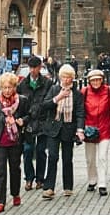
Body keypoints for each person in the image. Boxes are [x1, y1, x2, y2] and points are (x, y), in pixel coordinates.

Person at [0, 71, 32, 214]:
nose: (7, 90)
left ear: (14, 87)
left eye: (9, 87)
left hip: (15, 141)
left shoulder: (22, 101)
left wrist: (22, 120)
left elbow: (30, 115)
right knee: (0, 172)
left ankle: (15, 194)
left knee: (15, 169)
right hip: (0, 141)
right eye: (4, 87)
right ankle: (0, 201)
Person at [42, 65, 85, 199]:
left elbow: (80, 112)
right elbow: (45, 105)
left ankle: (68, 187)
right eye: (64, 77)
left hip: (68, 128)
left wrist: (79, 129)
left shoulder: (77, 94)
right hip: (54, 128)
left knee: (67, 159)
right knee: (53, 157)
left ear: (72, 78)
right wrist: (58, 97)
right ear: (60, 77)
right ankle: (49, 188)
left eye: (69, 77)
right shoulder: (54, 89)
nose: (66, 80)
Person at [18, 55, 55, 191]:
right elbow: (19, 103)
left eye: (35, 68)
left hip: (43, 122)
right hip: (28, 122)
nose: (33, 70)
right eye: (31, 68)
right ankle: (29, 178)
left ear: (40, 68)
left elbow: (50, 102)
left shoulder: (47, 83)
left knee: (40, 151)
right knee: (27, 151)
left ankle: (40, 179)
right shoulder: (23, 84)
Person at [83, 68, 110, 196]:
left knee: (102, 157)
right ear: (89, 82)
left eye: (98, 80)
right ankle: (92, 180)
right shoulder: (84, 92)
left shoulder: (109, 92)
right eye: (93, 80)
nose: (96, 82)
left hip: (104, 128)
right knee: (90, 159)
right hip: (90, 129)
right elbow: (80, 112)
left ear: (102, 80)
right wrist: (81, 129)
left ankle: (102, 183)